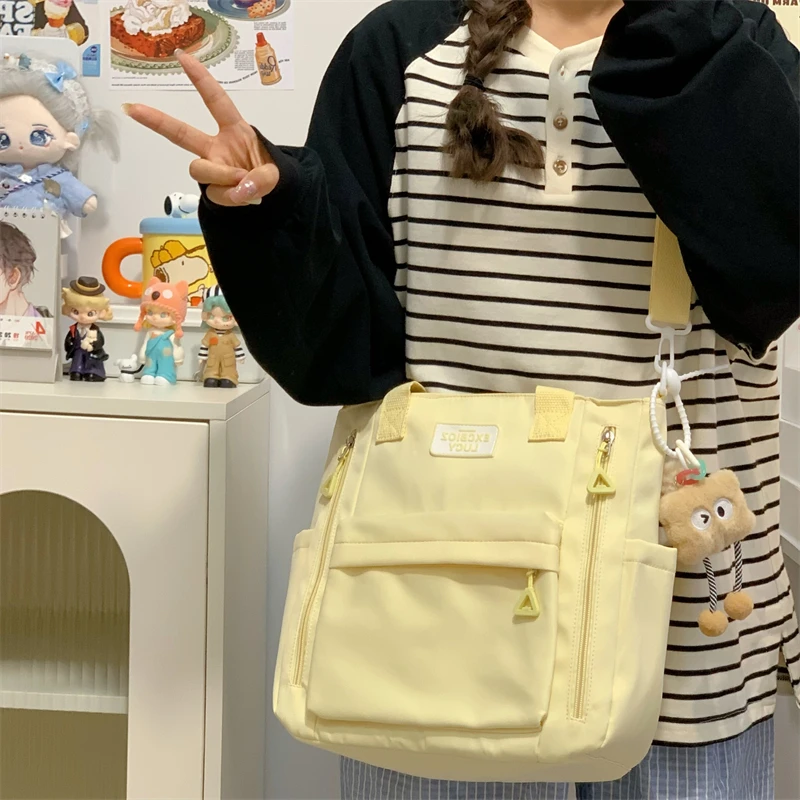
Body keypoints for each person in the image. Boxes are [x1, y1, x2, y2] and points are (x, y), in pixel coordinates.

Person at [126, 0, 800, 797]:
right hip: (443, 614)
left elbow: (770, 282)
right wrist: (271, 211)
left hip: (681, 624)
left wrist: (675, 31)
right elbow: (345, 352)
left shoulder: (725, 35)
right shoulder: (401, 48)